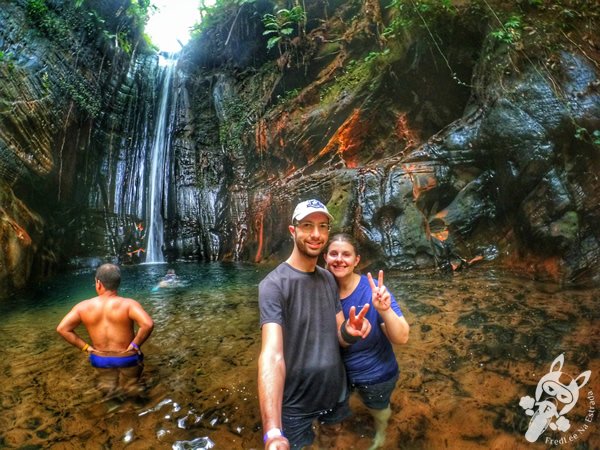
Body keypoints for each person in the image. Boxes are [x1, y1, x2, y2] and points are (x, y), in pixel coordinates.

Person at [258, 200, 372, 450]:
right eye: (307, 225)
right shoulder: (273, 285)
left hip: (335, 393)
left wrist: (350, 332)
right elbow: (272, 355)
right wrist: (272, 431)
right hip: (296, 404)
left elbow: (339, 336)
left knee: (333, 439)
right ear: (293, 230)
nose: (316, 234)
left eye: (322, 226)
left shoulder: (328, 279)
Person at [324, 233, 410, 449]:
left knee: (378, 408)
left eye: (346, 254)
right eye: (333, 254)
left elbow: (402, 337)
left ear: (357, 260)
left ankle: (381, 434)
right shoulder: (322, 289)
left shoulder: (372, 291)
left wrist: (385, 310)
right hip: (341, 375)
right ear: (325, 257)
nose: (339, 259)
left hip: (376, 375)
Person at [56, 263, 154, 397]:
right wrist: (135, 344)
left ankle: (111, 408)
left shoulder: (83, 307)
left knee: (107, 385)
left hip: (100, 358)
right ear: (117, 283)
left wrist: (86, 348)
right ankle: (135, 408)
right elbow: (147, 324)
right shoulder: (128, 304)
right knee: (132, 386)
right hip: (126, 357)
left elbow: (62, 329)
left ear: (98, 283)